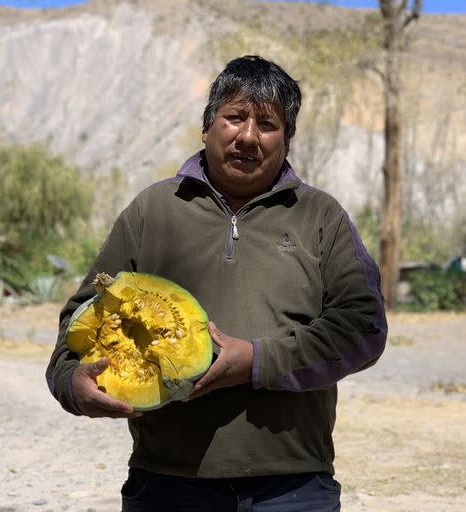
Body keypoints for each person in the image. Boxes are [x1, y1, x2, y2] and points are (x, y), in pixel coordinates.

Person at [46, 55, 387, 511]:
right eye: (235, 117)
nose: (248, 136)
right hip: (166, 484)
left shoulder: (320, 217)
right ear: (207, 128)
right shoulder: (153, 211)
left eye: (268, 124)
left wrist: (258, 361)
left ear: (287, 141)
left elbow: (365, 328)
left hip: (294, 488)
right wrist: (72, 385)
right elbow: (79, 324)